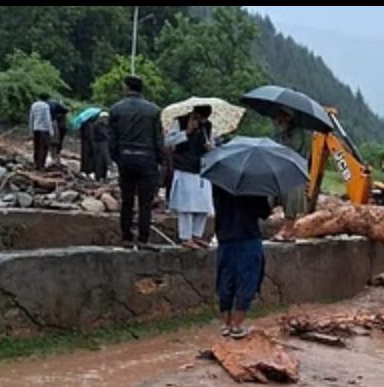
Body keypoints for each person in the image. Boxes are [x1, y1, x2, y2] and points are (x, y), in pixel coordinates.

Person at [109, 75, 164, 247]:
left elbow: (112, 139)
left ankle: (126, 236)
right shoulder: (154, 111)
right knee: (145, 202)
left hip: (125, 156)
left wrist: (116, 158)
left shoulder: (116, 109)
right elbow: (158, 139)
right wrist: (159, 161)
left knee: (127, 200)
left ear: (127, 87)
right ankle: (143, 238)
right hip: (147, 158)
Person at [213, 185, 272, 339]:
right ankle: (237, 324)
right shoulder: (255, 185)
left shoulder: (220, 183)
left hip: (225, 238)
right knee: (248, 280)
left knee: (225, 279)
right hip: (248, 237)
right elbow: (264, 212)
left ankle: (225, 324)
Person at [169, 107, 215, 249]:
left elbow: (214, 144)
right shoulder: (179, 122)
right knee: (186, 207)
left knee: (203, 206)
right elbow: (168, 142)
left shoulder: (208, 126)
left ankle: (197, 235)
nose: (202, 121)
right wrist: (186, 132)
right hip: (184, 168)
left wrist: (210, 147)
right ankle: (186, 237)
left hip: (201, 168)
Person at [272, 108, 310, 242]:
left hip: (295, 170)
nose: (278, 121)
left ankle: (289, 229)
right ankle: (285, 228)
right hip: (283, 169)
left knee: (292, 198)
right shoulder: (280, 133)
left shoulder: (297, 132)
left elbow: (293, 149)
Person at [29, 93, 53, 171]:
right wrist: (51, 130)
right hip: (44, 130)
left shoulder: (34, 105)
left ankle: (36, 163)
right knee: (44, 147)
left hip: (36, 129)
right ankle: (41, 165)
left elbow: (31, 117)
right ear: (47, 99)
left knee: (37, 147)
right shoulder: (45, 106)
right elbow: (47, 119)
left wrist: (31, 128)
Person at [47, 99, 69, 166]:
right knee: (58, 143)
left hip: (58, 128)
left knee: (53, 143)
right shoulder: (63, 114)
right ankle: (56, 157)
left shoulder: (53, 115)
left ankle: (54, 157)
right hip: (61, 128)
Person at [91, 112, 111, 182]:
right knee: (99, 161)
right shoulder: (98, 125)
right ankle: (98, 176)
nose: (106, 119)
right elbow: (105, 134)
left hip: (103, 144)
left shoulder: (104, 125)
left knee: (104, 161)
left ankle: (103, 176)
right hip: (99, 145)